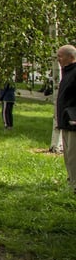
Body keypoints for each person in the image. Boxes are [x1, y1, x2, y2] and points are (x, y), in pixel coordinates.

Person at [55, 45, 76, 194]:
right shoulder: (67, 73)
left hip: (73, 121)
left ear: (71, 57)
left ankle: (74, 185)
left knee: (73, 155)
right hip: (65, 121)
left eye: (60, 56)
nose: (58, 59)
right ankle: (71, 181)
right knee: (68, 155)